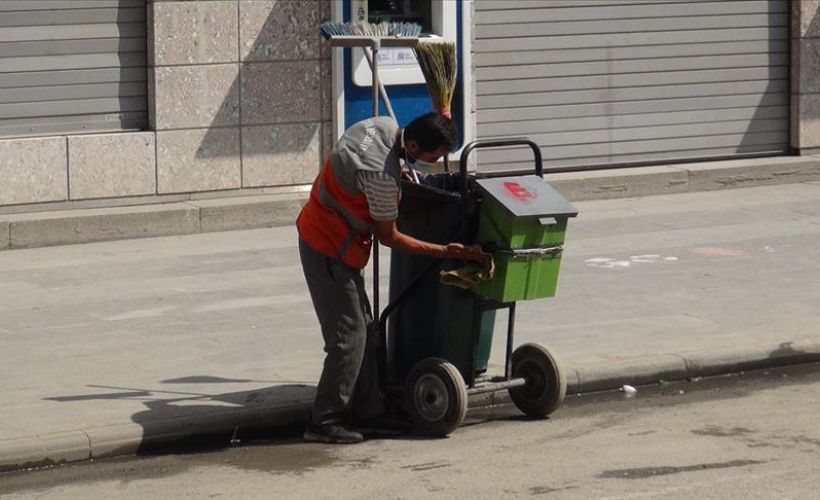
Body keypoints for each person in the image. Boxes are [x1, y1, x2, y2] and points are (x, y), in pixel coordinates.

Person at [296, 112, 486, 444]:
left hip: (330, 237)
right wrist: (446, 251)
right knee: (348, 339)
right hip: (326, 247)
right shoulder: (380, 178)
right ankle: (324, 420)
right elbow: (392, 238)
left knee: (366, 331)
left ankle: (370, 412)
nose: (435, 162)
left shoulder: (381, 125)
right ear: (411, 145)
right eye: (433, 156)